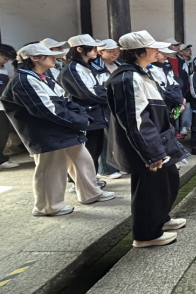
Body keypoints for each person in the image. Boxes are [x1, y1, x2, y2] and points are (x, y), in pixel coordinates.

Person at [3, 43, 114, 216]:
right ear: (34, 58)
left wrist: (82, 117)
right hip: (45, 134)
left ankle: (90, 193)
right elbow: (47, 111)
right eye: (49, 55)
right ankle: (47, 207)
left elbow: (66, 101)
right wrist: (80, 121)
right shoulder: (23, 81)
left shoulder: (42, 77)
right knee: (51, 170)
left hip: (63, 130)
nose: (54, 58)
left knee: (82, 161)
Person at [105, 31, 187, 247]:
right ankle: (146, 235)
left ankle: (161, 219)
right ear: (138, 52)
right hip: (146, 145)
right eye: (153, 47)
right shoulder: (127, 78)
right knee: (149, 190)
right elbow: (136, 120)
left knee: (167, 181)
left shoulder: (140, 73)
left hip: (158, 140)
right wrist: (152, 153)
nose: (157, 51)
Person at [59, 34, 109, 178]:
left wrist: (103, 92)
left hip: (97, 114)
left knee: (95, 150)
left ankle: (91, 179)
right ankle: (79, 181)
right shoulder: (72, 68)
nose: (95, 51)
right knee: (86, 151)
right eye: (92, 48)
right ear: (79, 49)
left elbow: (102, 86)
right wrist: (106, 95)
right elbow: (87, 93)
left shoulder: (89, 66)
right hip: (85, 115)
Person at [93, 39, 124, 179]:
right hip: (104, 105)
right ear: (100, 52)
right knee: (106, 137)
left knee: (118, 136)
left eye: (117, 51)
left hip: (119, 103)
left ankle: (119, 164)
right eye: (111, 51)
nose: (115, 54)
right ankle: (105, 169)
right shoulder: (95, 67)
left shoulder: (119, 65)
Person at [0, 44, 18, 169]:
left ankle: (1, 159)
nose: (5, 62)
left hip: (3, 106)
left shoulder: (2, 69)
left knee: (3, 134)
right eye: (4, 58)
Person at [177, 44, 193, 136]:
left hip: (189, 89)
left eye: (189, 49)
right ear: (180, 52)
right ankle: (182, 126)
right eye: (186, 50)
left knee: (188, 107)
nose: (189, 51)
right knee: (183, 107)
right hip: (182, 89)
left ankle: (187, 125)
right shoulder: (180, 62)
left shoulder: (191, 62)